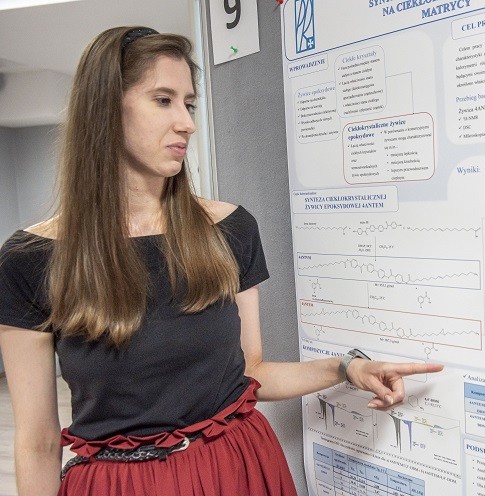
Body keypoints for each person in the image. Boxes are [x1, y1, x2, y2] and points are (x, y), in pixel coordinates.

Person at [0, 26, 443, 496]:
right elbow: (38, 442)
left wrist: (347, 368)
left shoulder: (229, 229)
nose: (187, 123)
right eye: (163, 100)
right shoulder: (30, 261)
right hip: (122, 484)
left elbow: (252, 372)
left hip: (237, 466)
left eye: (189, 104)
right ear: (105, 109)